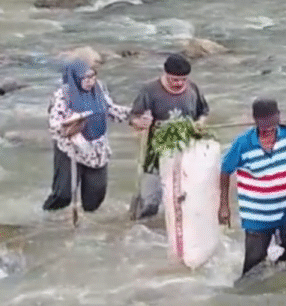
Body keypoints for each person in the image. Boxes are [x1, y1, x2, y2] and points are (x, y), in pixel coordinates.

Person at [218, 98, 286, 277]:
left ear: (279, 118)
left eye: (272, 123)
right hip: (257, 215)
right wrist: (224, 206)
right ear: (255, 120)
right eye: (263, 123)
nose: (267, 128)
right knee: (252, 268)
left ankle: (281, 278)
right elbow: (225, 170)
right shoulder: (243, 143)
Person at [42, 60, 132, 213]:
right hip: (70, 147)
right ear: (75, 78)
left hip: (95, 148)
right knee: (63, 195)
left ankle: (88, 227)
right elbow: (54, 124)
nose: (90, 81)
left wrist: (133, 115)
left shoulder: (99, 89)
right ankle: (49, 217)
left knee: (95, 197)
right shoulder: (63, 95)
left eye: (93, 76)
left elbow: (110, 109)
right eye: (85, 78)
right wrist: (70, 126)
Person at [129, 53, 210, 219]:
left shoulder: (193, 89)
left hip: (186, 151)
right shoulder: (149, 90)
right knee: (150, 203)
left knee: (184, 201)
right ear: (165, 74)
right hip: (156, 152)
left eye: (183, 80)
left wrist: (200, 123)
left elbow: (204, 112)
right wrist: (140, 122)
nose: (179, 83)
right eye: (174, 80)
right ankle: (143, 232)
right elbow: (133, 117)